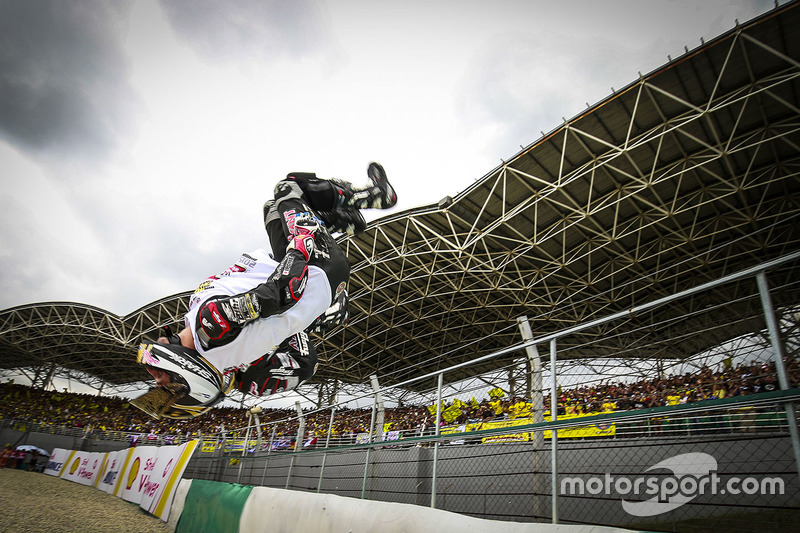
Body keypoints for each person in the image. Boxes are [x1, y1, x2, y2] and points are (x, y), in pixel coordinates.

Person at [130, 163, 396, 419]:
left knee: (272, 210)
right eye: (159, 379)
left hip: (304, 273)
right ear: (185, 376)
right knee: (288, 189)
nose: (153, 372)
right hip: (316, 268)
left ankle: (342, 223)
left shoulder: (209, 339)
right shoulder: (211, 326)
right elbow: (282, 292)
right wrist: (302, 241)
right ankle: (375, 196)